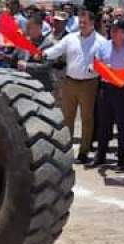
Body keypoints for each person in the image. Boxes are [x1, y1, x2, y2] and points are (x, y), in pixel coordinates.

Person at [41, 9, 106, 165]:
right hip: (70, 82)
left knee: (87, 118)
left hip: (89, 83)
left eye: (85, 22)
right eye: (80, 22)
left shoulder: (101, 41)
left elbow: (104, 61)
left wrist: (96, 67)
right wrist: (43, 54)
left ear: (92, 23)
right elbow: (56, 50)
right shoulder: (70, 38)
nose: (82, 25)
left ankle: (83, 152)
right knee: (67, 117)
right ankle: (66, 149)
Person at [94, 19, 124, 168]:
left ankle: (121, 159)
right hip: (106, 88)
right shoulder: (103, 46)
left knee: (123, 125)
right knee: (103, 123)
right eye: (112, 30)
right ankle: (100, 156)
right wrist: (100, 67)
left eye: (118, 31)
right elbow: (95, 63)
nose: (114, 33)